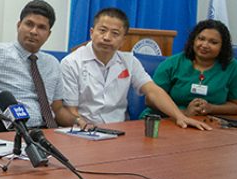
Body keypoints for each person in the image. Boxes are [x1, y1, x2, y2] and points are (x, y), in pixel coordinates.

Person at [60, 7, 211, 130]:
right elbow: (70, 110)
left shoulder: (129, 61)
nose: (106, 37)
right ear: (92, 33)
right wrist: (85, 128)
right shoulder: (71, 63)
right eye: (102, 30)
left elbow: (152, 91)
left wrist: (180, 117)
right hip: (83, 131)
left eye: (115, 33)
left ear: (123, 40)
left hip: (119, 130)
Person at [0, 0, 74, 129]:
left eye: (41, 27)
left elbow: (57, 110)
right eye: (29, 24)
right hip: (13, 133)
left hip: (50, 132)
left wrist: (80, 122)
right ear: (19, 25)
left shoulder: (53, 63)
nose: (34, 31)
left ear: (48, 34)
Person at [144, 19, 237, 117]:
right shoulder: (172, 63)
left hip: (209, 122)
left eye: (213, 42)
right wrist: (183, 113)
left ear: (223, 47)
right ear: (193, 40)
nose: (205, 45)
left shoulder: (232, 67)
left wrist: (211, 108)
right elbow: (150, 100)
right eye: (201, 39)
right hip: (165, 119)